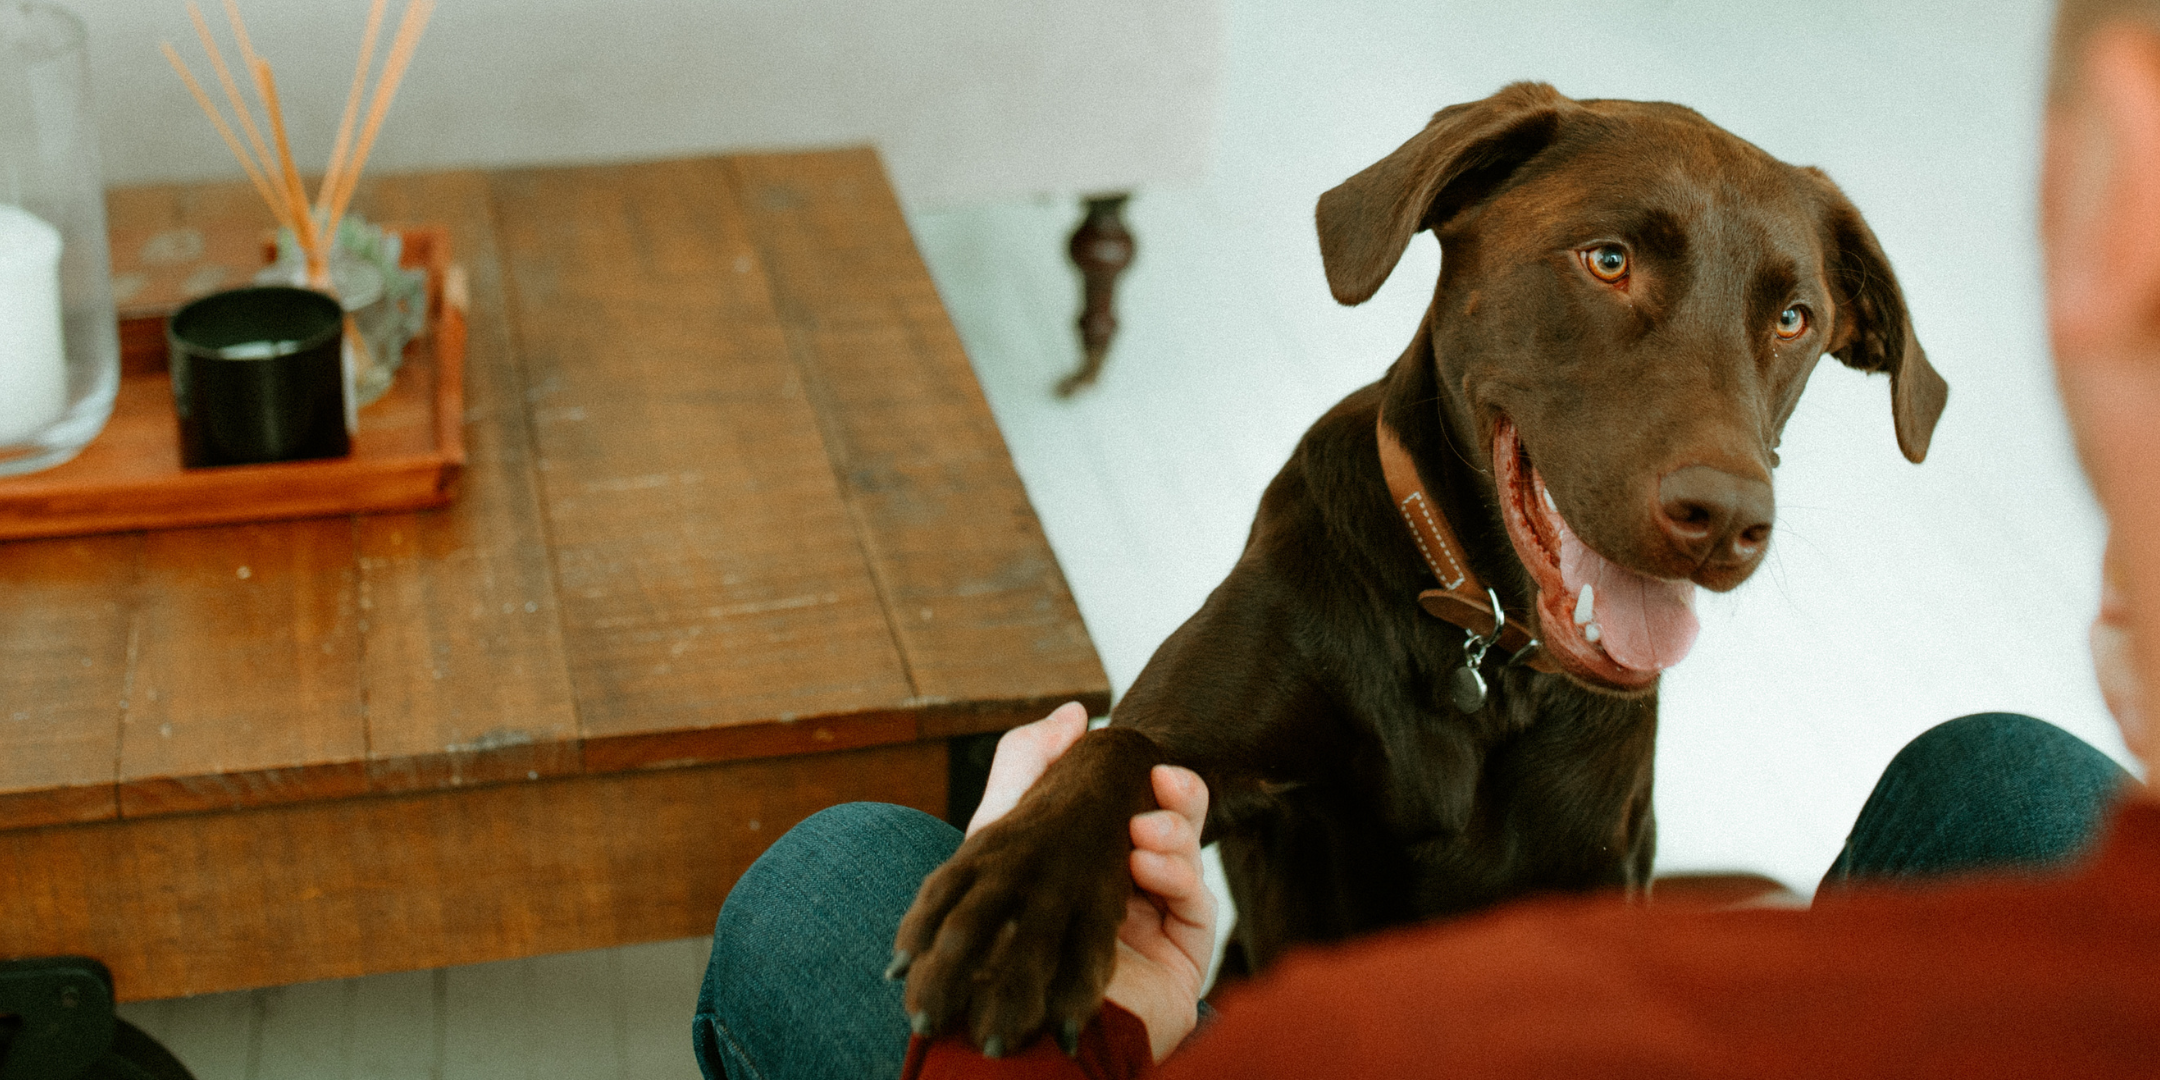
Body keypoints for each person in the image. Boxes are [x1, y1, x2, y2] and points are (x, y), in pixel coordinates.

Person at [694, 0, 2160, 1073]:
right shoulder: (1336, 525)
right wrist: (1085, 809)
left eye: (1785, 322)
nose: (1724, 467)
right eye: (1608, 259)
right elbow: (1154, 756)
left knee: (830, 888)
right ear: (1446, 225)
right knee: (2006, 775)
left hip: (1363, 1038)